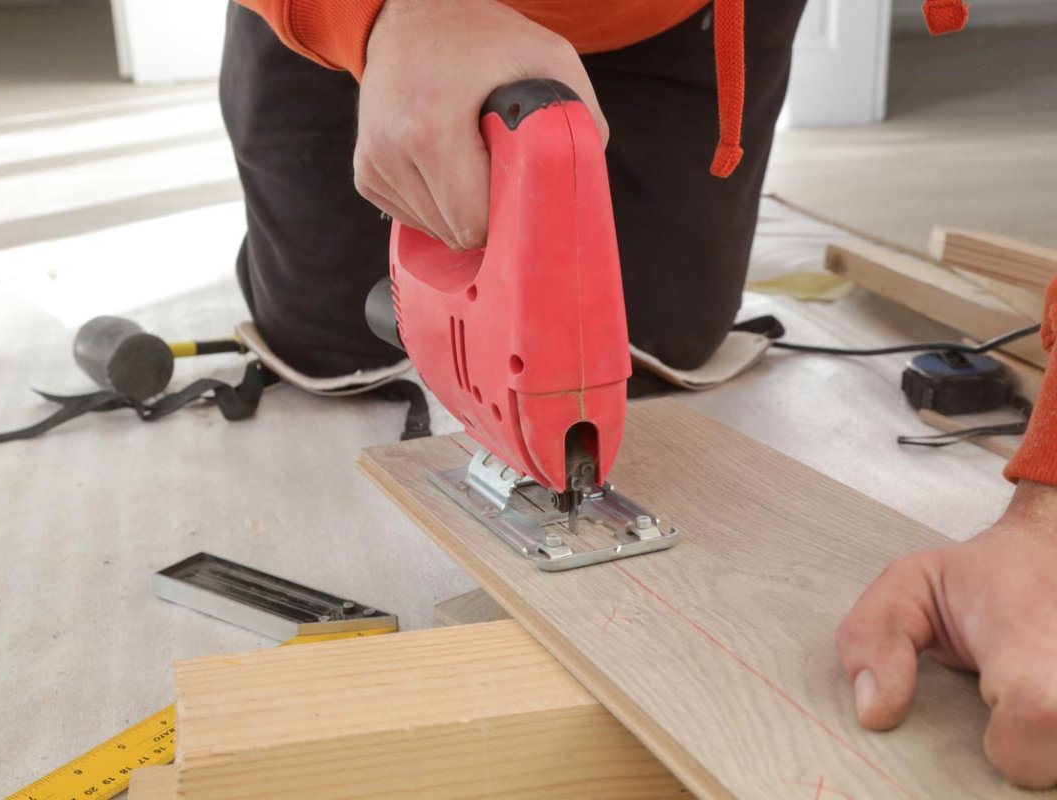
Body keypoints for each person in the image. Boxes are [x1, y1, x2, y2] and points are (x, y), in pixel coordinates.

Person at [222, 0, 1057, 787]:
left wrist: (1049, 512)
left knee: (665, 338)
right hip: (395, 26)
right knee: (324, 342)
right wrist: (381, 17)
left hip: (664, 16)